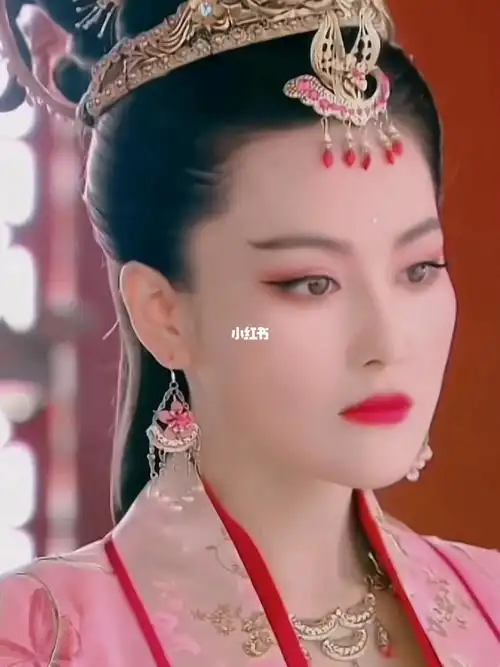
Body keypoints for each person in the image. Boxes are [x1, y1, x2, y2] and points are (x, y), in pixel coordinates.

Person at [0, 0, 499, 664]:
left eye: (420, 269)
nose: (389, 341)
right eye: (310, 283)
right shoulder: (41, 638)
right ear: (165, 313)